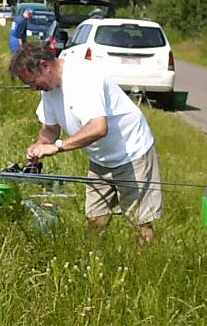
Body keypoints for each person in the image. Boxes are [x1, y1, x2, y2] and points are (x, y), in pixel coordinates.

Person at [9, 44, 163, 243]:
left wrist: (58, 146)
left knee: (139, 222)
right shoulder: (49, 89)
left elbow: (99, 128)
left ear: (45, 65)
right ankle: (94, 263)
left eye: (33, 82)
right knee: (95, 219)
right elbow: (50, 129)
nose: (34, 88)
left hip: (132, 152)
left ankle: (148, 264)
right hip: (101, 158)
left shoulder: (83, 77)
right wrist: (39, 146)